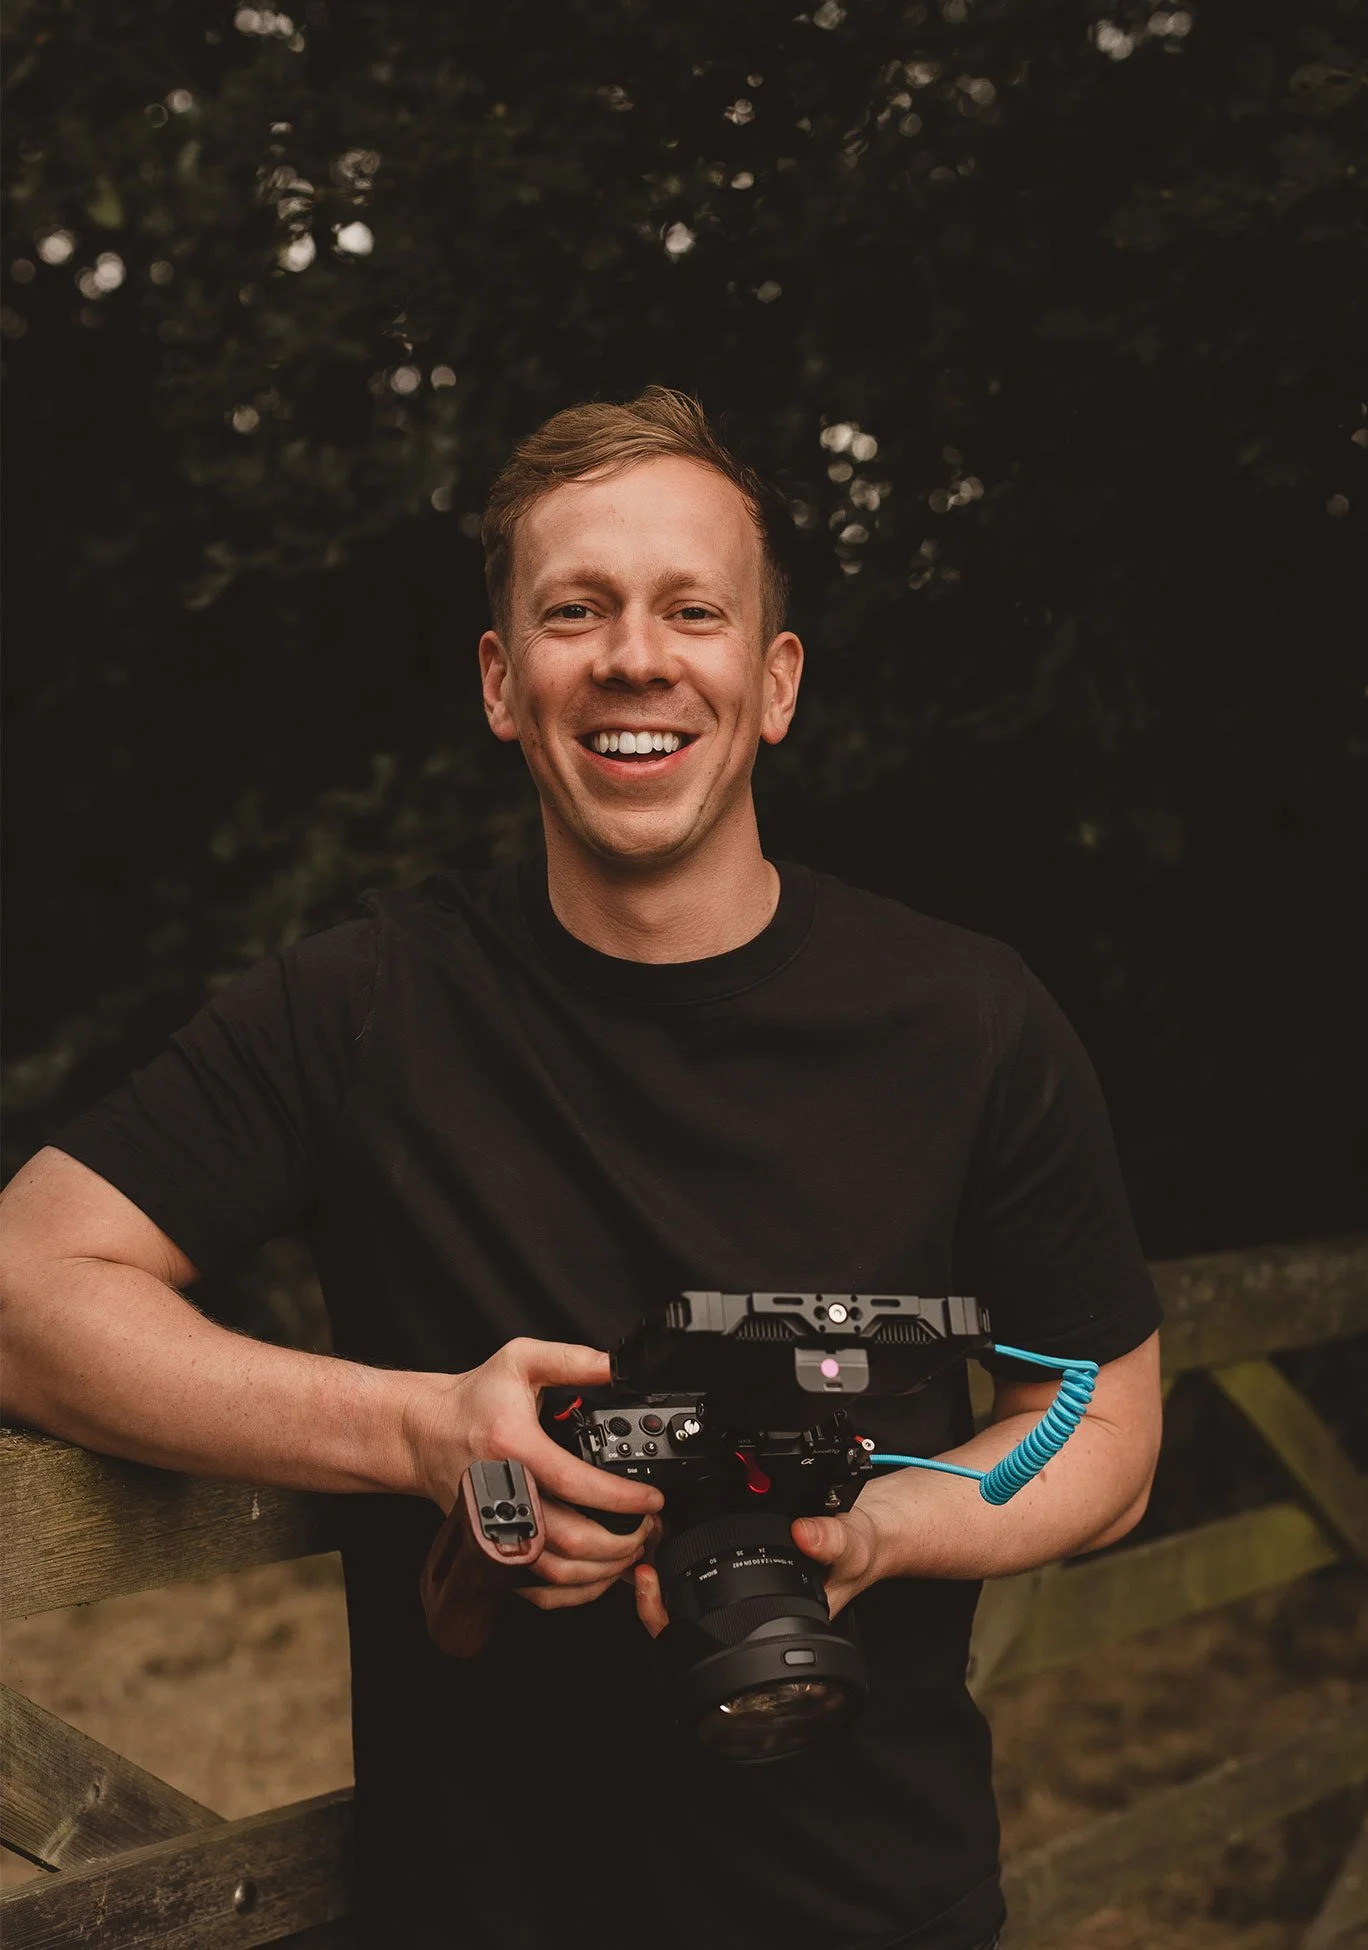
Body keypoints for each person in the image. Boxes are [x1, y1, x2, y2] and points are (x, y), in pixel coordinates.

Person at [0, 388, 1162, 1950]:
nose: (635, 656)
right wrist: (418, 1431)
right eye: (575, 610)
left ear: (775, 680)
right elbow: (23, 1284)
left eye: (694, 609)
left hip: (880, 1907)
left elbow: (1103, 1424)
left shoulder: (970, 1018)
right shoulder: (359, 1009)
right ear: (502, 680)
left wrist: (880, 1527)